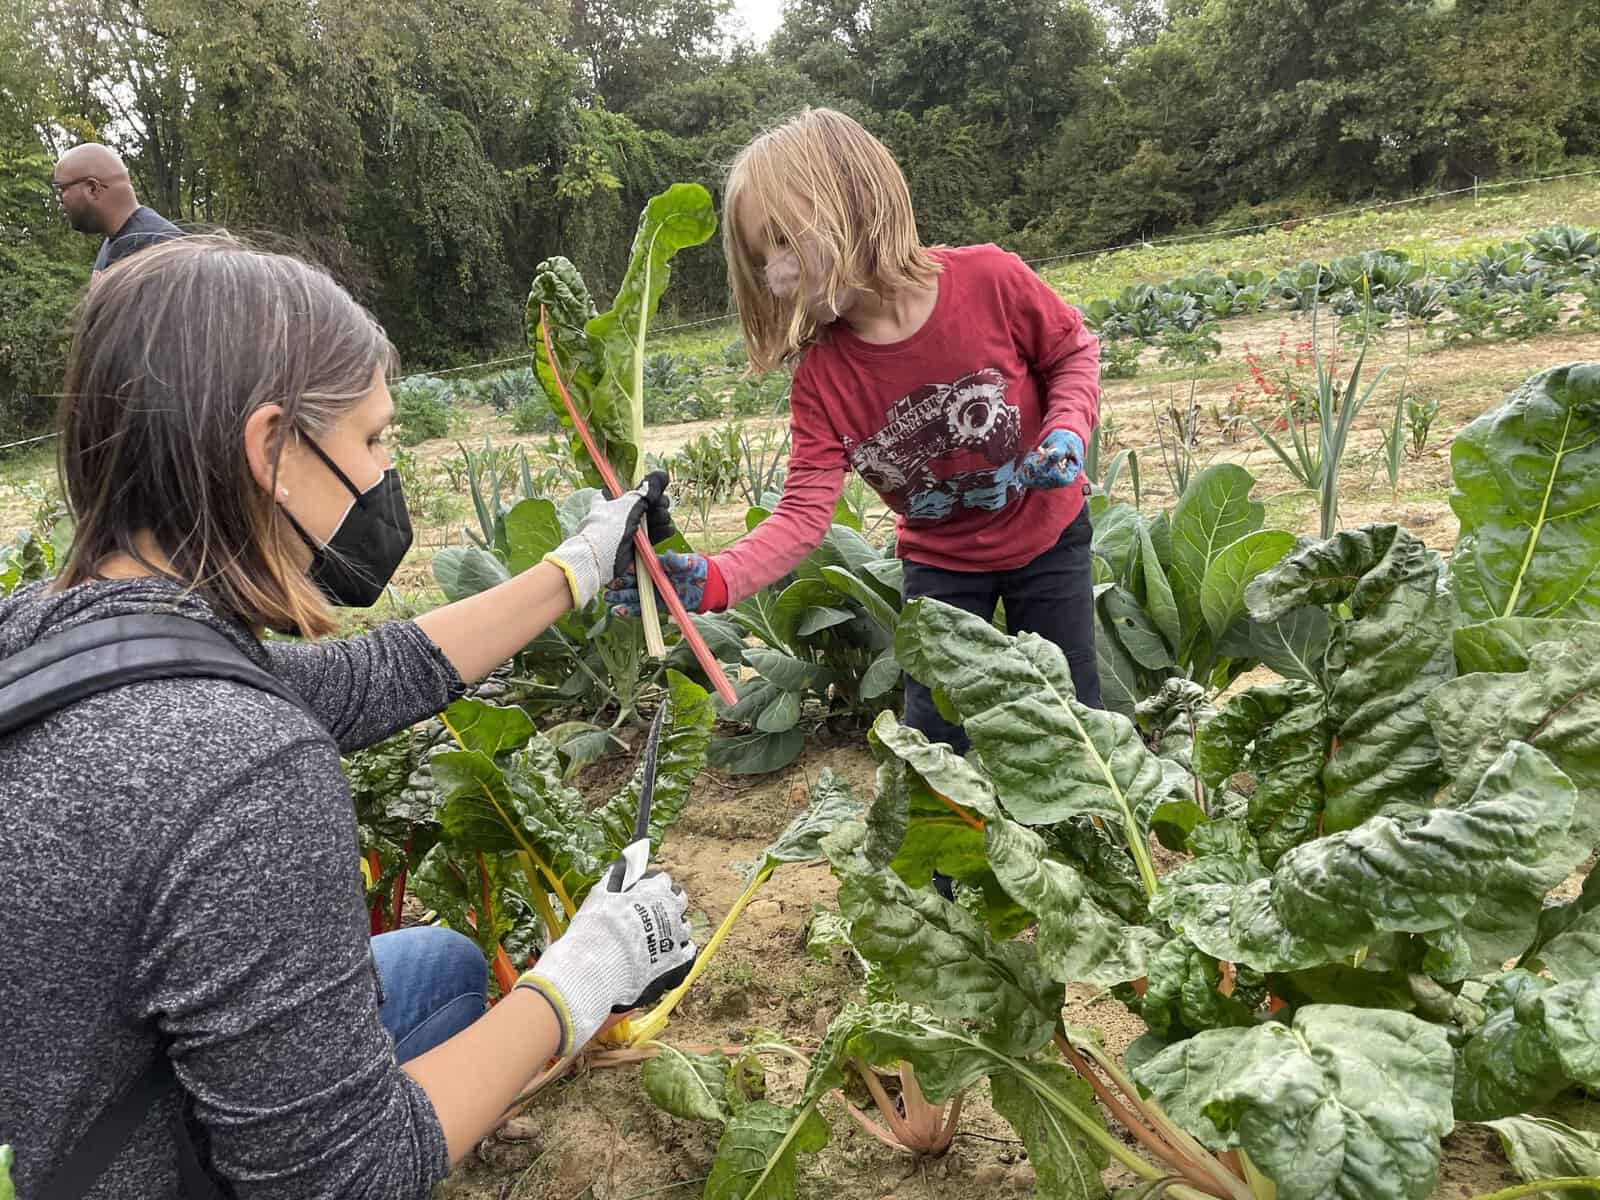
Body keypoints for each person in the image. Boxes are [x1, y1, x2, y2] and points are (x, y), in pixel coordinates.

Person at [0, 236, 695, 1199]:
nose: (383, 477)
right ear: (271, 449)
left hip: (51, 1108)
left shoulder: (39, 636)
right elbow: (347, 1175)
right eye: (371, 442)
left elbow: (378, 672)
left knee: (440, 971)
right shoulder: (239, 766)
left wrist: (577, 565)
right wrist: (584, 974)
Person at [611, 107, 1103, 750]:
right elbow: (799, 517)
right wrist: (716, 577)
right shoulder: (823, 380)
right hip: (942, 566)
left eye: (786, 241)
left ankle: (1087, 840)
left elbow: (1071, 353)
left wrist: (1066, 429)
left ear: (856, 199)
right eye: (765, 256)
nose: (777, 273)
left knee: (1072, 720)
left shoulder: (990, 280)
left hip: (1048, 536)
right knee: (933, 744)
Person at [52, 142, 184, 273]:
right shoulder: (117, 242)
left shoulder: (162, 251)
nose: (59, 199)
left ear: (92, 189)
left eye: (61, 189)